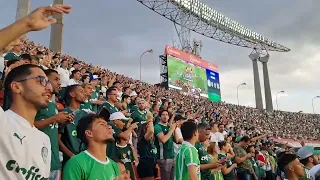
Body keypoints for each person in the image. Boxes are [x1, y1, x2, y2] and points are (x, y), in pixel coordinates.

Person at [1, 64, 52, 179]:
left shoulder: (45, 139)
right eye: (41, 81)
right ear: (16, 87)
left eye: (48, 82)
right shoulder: (3, 121)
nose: (49, 87)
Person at [34, 69, 71, 180]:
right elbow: (28, 125)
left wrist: (63, 122)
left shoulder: (53, 105)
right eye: (56, 79)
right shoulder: (37, 102)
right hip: (39, 160)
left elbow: (53, 130)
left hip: (54, 160)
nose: (59, 83)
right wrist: (54, 118)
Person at [62, 114, 120, 180]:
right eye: (102, 124)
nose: (109, 127)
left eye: (107, 124)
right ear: (89, 133)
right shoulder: (76, 164)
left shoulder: (114, 165)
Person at [58, 84, 91, 166]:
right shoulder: (63, 113)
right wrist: (72, 156)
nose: (84, 94)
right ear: (72, 94)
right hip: (70, 161)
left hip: (87, 159)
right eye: (81, 91)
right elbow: (57, 140)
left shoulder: (86, 115)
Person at [154, 110, 177, 180]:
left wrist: (174, 129)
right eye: (163, 115)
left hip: (172, 155)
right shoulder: (157, 126)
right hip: (164, 157)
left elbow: (176, 140)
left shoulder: (169, 126)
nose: (165, 116)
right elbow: (163, 140)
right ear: (160, 117)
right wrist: (172, 130)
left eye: (167, 115)